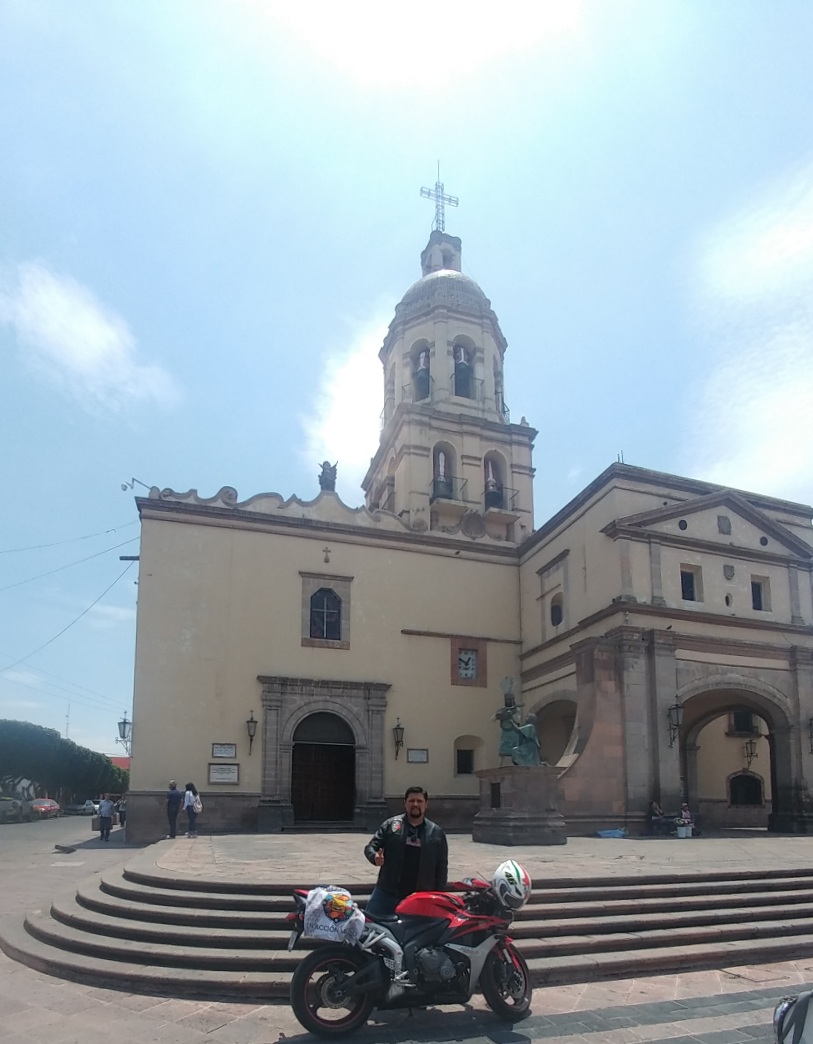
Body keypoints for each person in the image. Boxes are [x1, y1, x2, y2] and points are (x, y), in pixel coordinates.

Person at [363, 786, 448, 918]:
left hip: (419, 897)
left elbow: (441, 866)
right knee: (369, 925)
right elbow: (371, 846)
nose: (415, 804)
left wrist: (438, 895)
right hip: (387, 892)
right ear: (405, 803)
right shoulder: (391, 825)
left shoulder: (436, 832)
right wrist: (374, 857)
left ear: (426, 804)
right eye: (411, 801)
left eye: (419, 801)